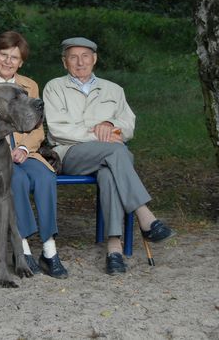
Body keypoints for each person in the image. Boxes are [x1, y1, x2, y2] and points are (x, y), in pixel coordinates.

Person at [43, 37, 176, 275]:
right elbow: (57, 129)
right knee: (118, 151)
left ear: (94, 59)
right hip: (69, 153)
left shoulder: (114, 90)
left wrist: (111, 125)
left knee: (109, 173)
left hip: (109, 158)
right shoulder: (54, 87)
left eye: (85, 56)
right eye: (73, 57)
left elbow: (128, 125)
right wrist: (97, 134)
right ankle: (145, 216)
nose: (80, 62)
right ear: (65, 62)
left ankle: (114, 250)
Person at [0, 31, 68, 279]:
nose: (8, 61)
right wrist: (4, 149)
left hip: (25, 152)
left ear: (21, 62)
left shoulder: (29, 85)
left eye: (14, 57)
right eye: (3, 55)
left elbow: (37, 128)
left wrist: (23, 148)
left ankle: (49, 250)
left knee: (45, 177)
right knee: (16, 180)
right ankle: (23, 249)